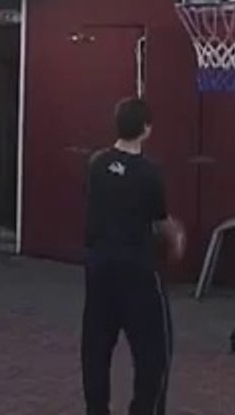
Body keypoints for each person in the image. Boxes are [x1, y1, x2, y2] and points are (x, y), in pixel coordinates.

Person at [81, 97, 186, 415]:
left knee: (96, 348)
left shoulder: (96, 164)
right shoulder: (149, 172)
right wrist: (177, 236)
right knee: (155, 353)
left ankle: (96, 410)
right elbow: (159, 219)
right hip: (137, 271)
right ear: (146, 129)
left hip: (99, 267)